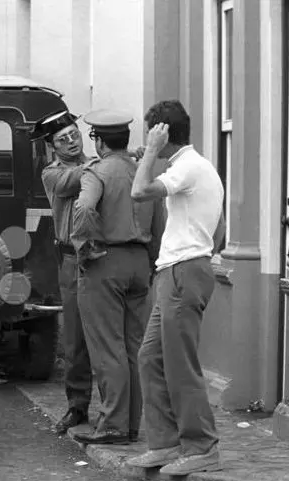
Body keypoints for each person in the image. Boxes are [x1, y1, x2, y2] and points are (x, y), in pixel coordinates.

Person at [127, 100, 225, 475]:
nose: (147, 139)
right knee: (150, 358)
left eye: (151, 132)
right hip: (178, 270)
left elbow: (138, 193)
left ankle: (202, 446)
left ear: (163, 131)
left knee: (179, 364)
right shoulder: (194, 168)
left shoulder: (187, 167)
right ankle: (167, 443)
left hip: (183, 271)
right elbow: (220, 230)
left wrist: (151, 152)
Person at [71, 110, 164, 446]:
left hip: (105, 262)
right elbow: (159, 221)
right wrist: (151, 260)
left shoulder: (97, 171)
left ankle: (112, 425)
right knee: (134, 347)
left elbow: (83, 208)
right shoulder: (143, 171)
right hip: (140, 262)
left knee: (107, 348)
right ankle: (131, 425)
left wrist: (85, 247)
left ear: (97, 140)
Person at [35, 110, 96, 435]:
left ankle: (118, 409)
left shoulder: (98, 163)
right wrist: (116, 160)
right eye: (63, 139)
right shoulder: (52, 174)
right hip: (71, 259)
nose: (71, 142)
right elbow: (77, 181)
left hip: (103, 257)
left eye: (74, 134)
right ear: (52, 147)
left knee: (109, 336)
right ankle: (77, 407)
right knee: (74, 338)